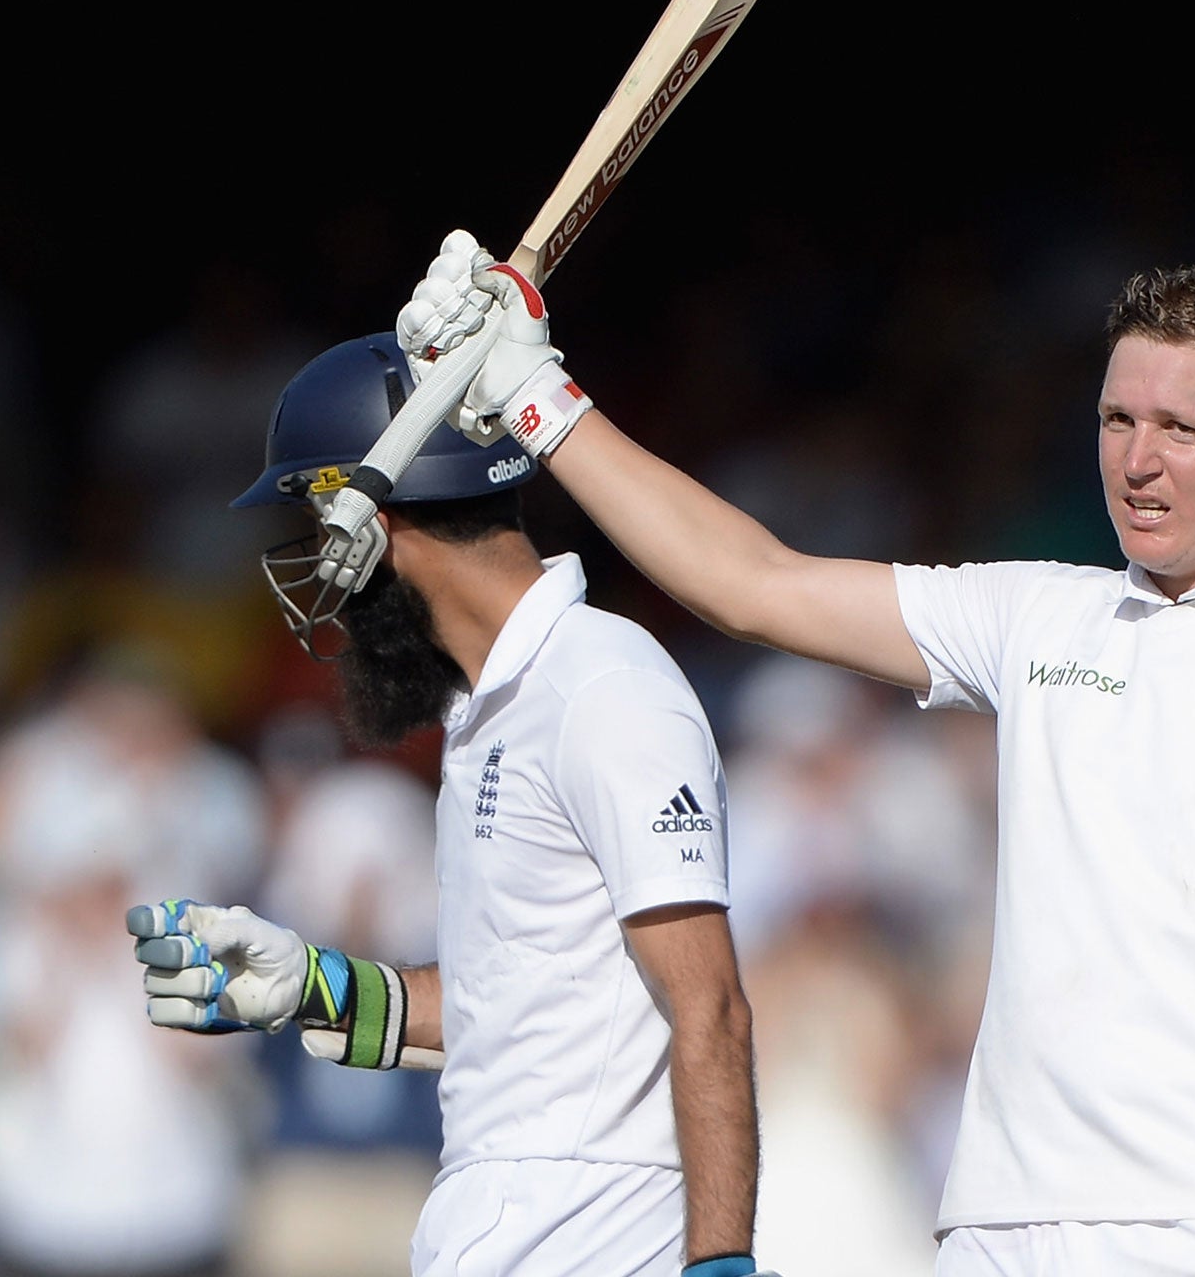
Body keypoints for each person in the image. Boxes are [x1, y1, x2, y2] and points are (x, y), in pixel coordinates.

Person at [372, 240, 1195, 1277]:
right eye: (1117, 419)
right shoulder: (1040, 614)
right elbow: (752, 584)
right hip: (1004, 1226)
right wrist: (543, 406)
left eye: (1182, 429)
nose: (1138, 461)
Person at [126, 330, 775, 1277]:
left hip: (596, 1247)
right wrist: (309, 985)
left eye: (317, 539)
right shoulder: (487, 710)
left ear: (368, 535)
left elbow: (710, 1006)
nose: (315, 578)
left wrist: (721, 1262)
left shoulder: (603, 686)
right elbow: (507, 1004)